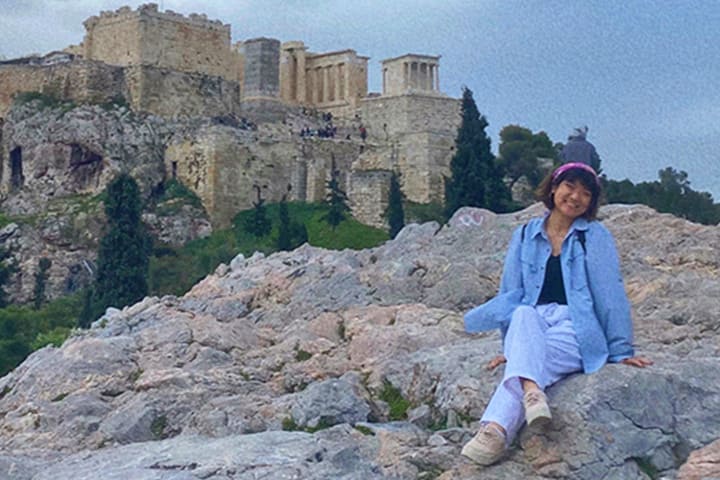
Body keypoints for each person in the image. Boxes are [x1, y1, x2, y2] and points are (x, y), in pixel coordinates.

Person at [460, 162, 652, 466]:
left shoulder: (595, 236)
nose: (575, 197)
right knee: (522, 312)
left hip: (575, 325)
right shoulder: (524, 234)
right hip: (532, 321)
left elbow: (610, 293)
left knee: (531, 361)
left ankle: (494, 430)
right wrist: (509, 347)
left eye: (586, 193)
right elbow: (510, 293)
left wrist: (620, 349)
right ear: (554, 188)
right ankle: (532, 391)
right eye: (570, 186)